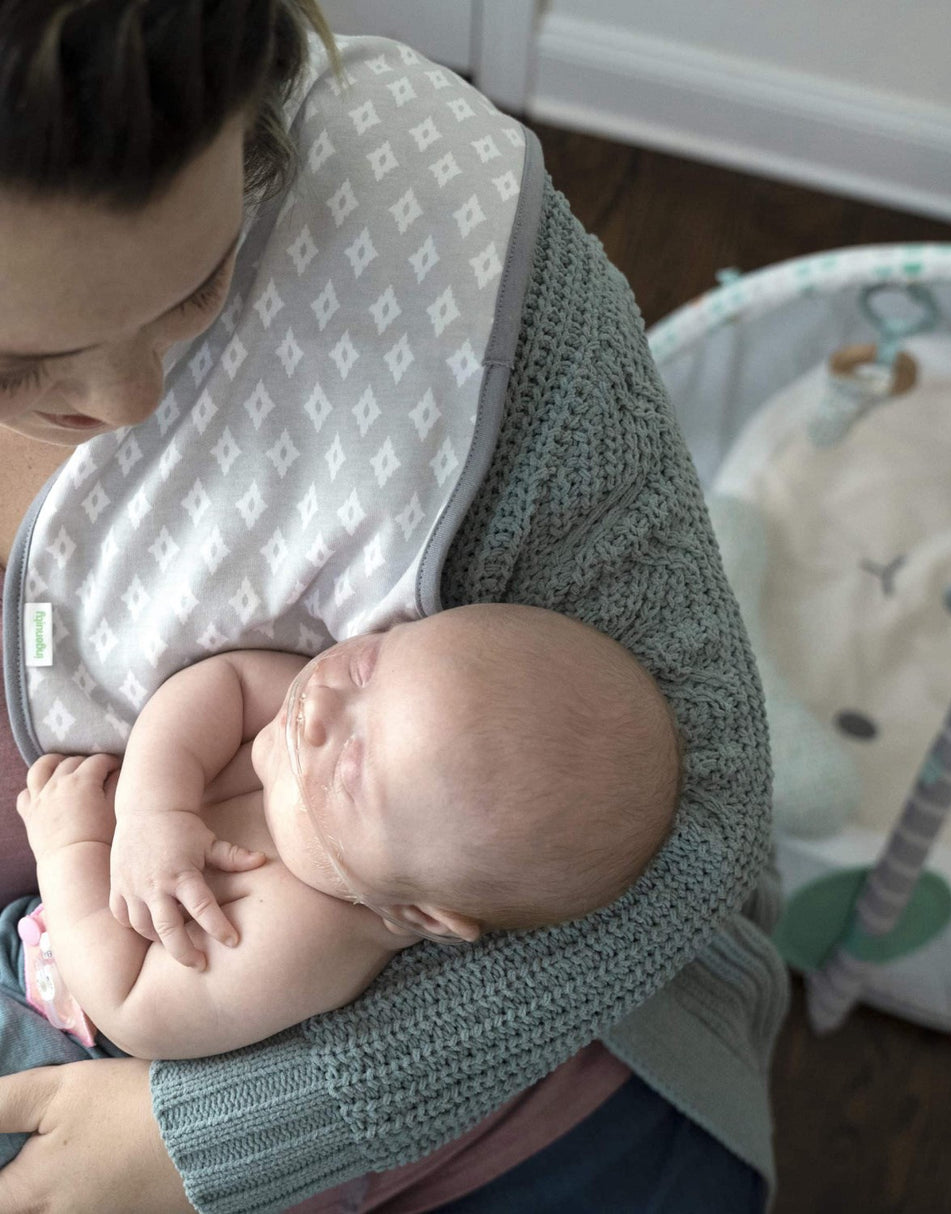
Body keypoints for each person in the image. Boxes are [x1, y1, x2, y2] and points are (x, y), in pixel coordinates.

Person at [0, 3, 786, 1212]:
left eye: (196, 284)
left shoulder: (455, 263)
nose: (128, 399)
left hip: (471, 1048)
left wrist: (213, 1133)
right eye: (14, 362)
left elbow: (702, 790)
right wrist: (142, 811)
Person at [0, 603, 679, 1159]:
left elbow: (131, 1004)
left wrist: (73, 846)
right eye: (367, 661)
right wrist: (154, 806)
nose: (318, 708)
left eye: (351, 773)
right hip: (46, 939)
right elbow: (226, 682)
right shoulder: (331, 711)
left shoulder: (307, 931)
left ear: (417, 912)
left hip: (60, 1033)